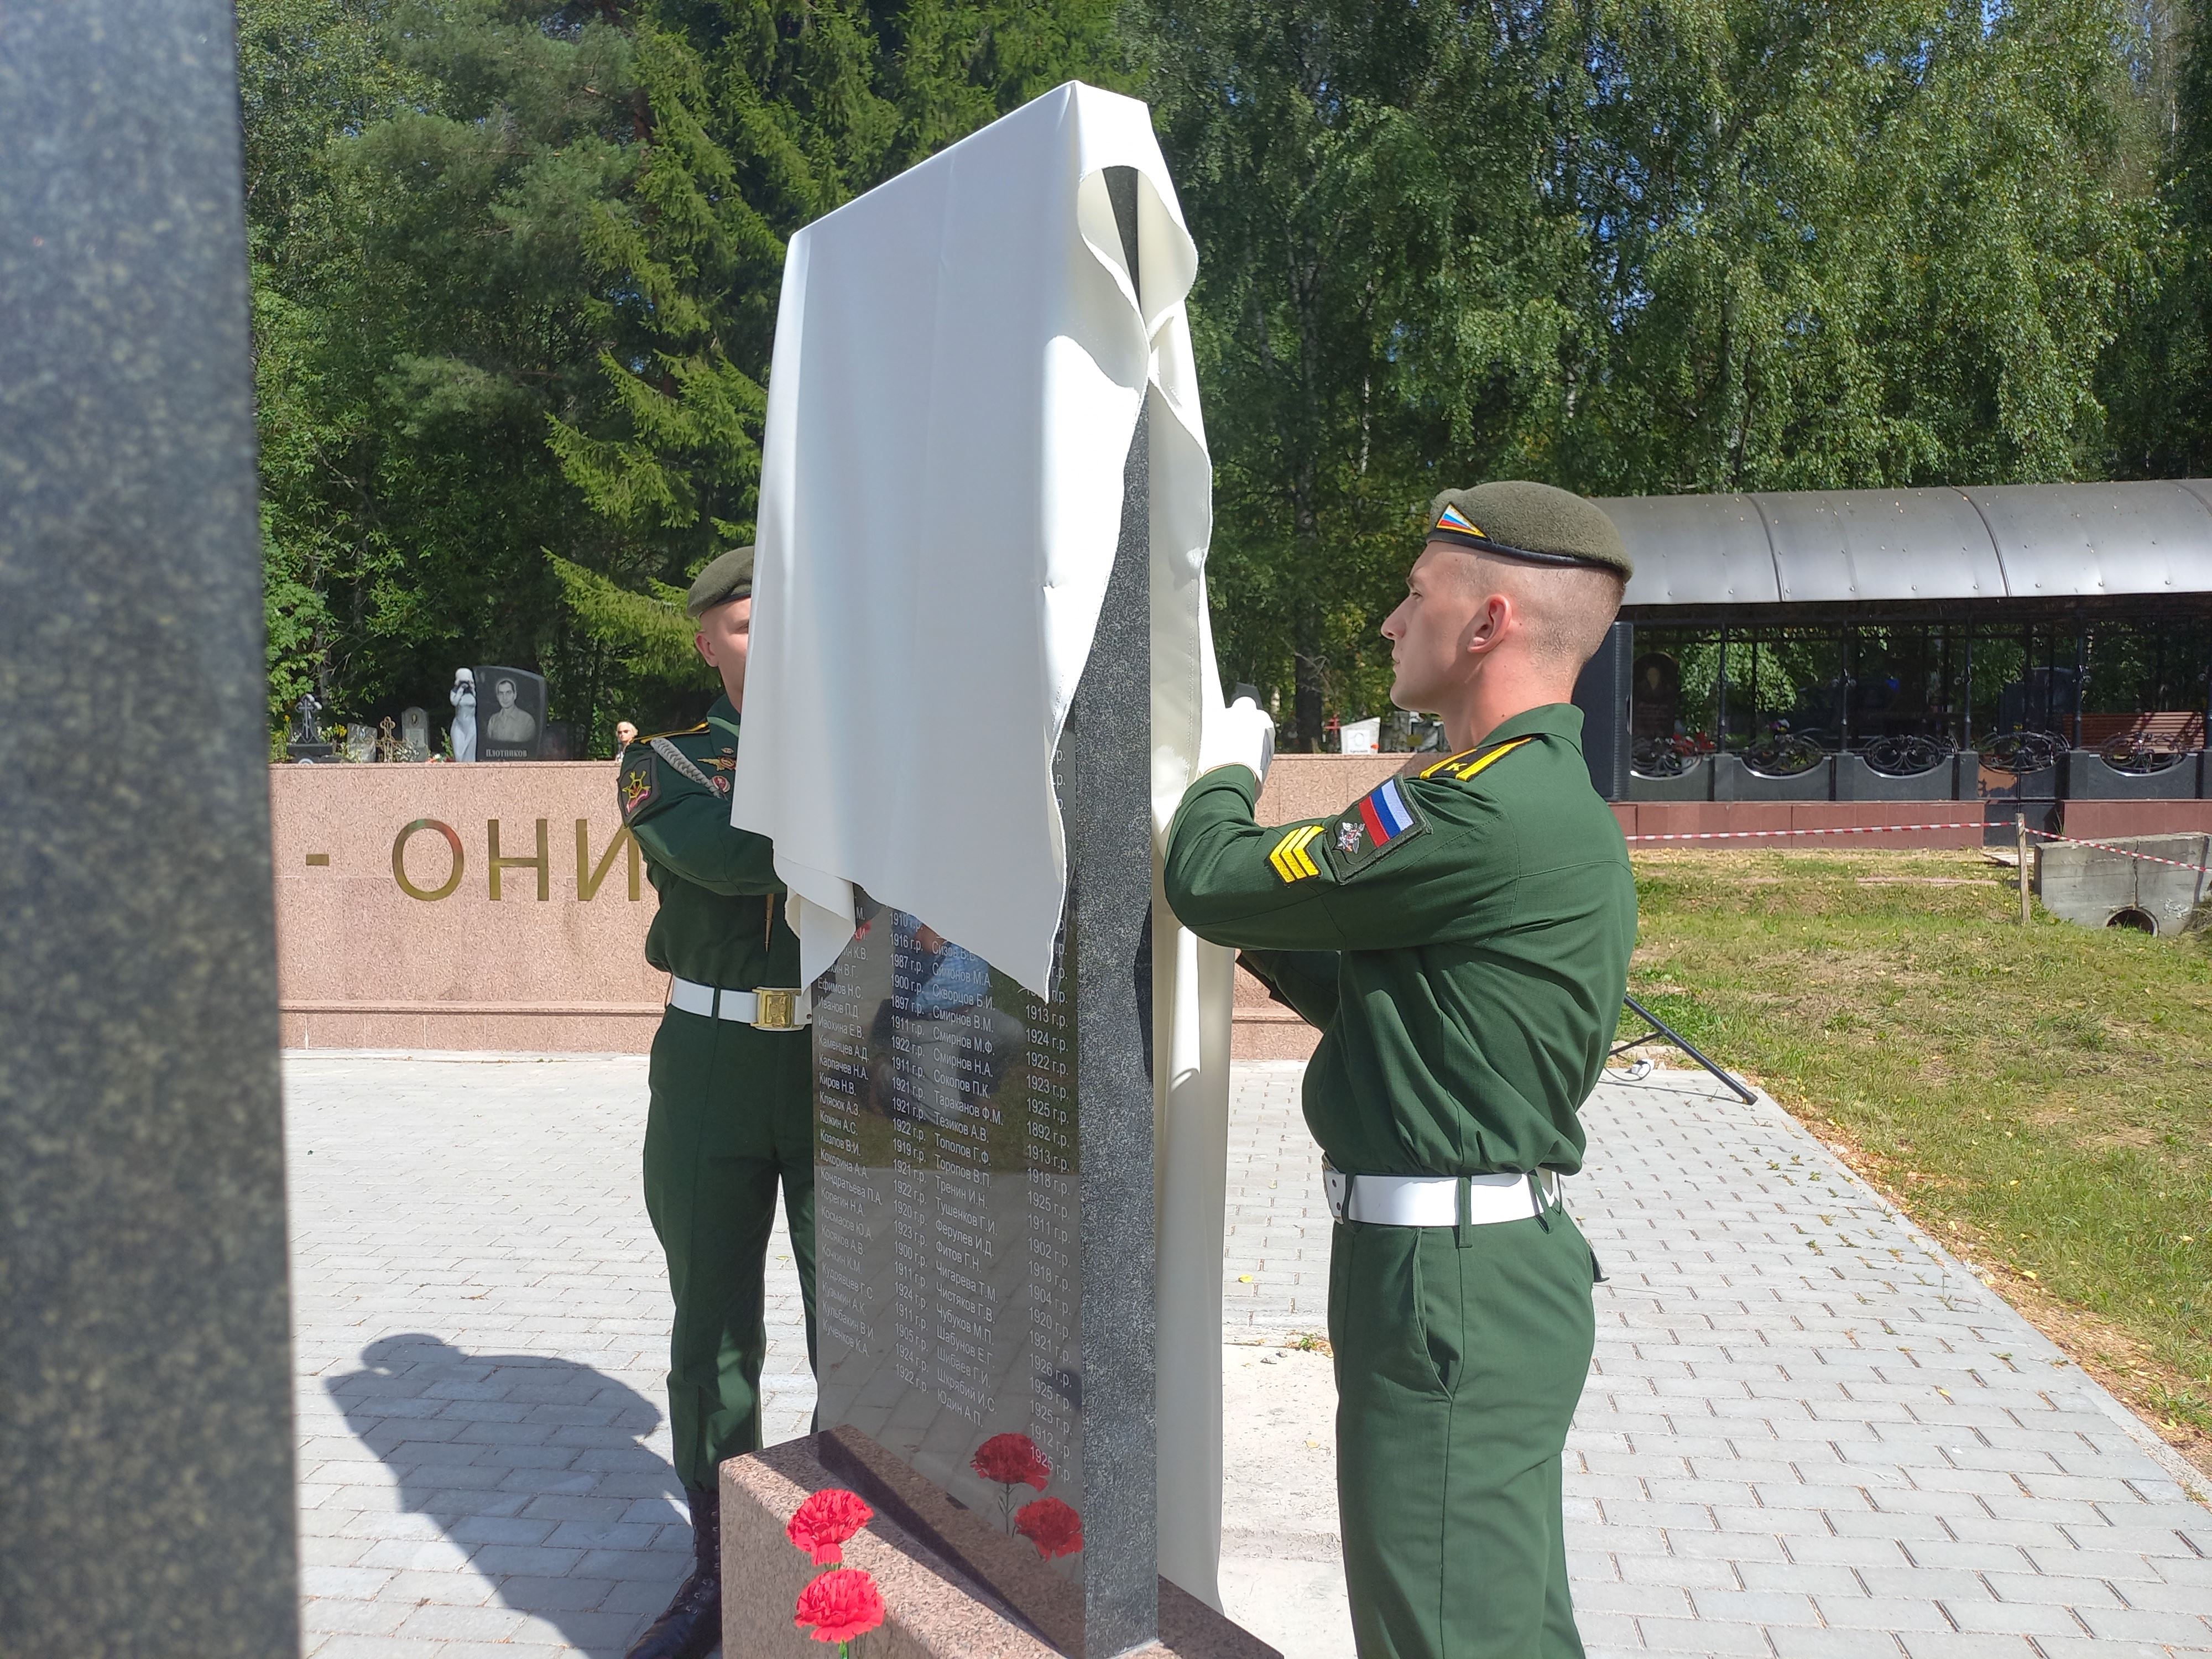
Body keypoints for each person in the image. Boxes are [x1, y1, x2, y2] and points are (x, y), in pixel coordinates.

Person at [1162, 481, 1638, 1659]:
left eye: (1413, 595)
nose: (1387, 621)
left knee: (1437, 1635)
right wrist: (1264, 914)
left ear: (1486, 624)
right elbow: (1390, 1004)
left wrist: (1218, 779)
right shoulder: (1510, 795)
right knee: (1499, 1628)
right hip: (1455, 1274)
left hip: (1447, 1286)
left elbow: (1209, 876)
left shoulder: (1485, 811)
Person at [614, 546, 816, 1659]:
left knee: (862, 1325)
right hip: (710, 1061)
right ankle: (722, 1569)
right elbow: (738, 860)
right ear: (703, 642)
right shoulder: (667, 766)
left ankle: (850, 1551)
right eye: (742, 626)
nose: (764, 642)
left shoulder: (849, 751)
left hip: (838, 1058)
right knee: (713, 1325)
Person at [483, 675, 537, 744]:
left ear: (515, 695)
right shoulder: (493, 720)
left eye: (508, 693)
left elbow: (531, 747)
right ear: (498, 697)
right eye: (501, 693)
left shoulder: (527, 720)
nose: (505, 698)